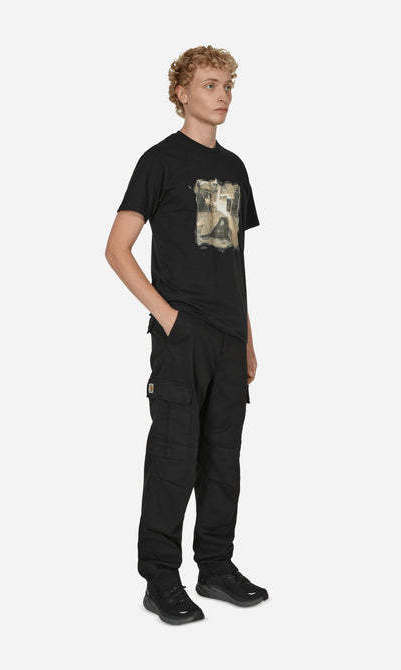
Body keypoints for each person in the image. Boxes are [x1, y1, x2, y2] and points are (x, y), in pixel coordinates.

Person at [105, 45, 268, 625]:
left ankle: (216, 567)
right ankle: (161, 580)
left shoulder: (235, 168)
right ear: (182, 93)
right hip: (183, 337)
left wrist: (247, 338)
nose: (222, 95)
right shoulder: (160, 162)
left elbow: (234, 261)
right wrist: (169, 317)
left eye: (228, 85)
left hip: (228, 338)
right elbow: (116, 249)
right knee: (174, 457)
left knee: (224, 460)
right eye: (209, 85)